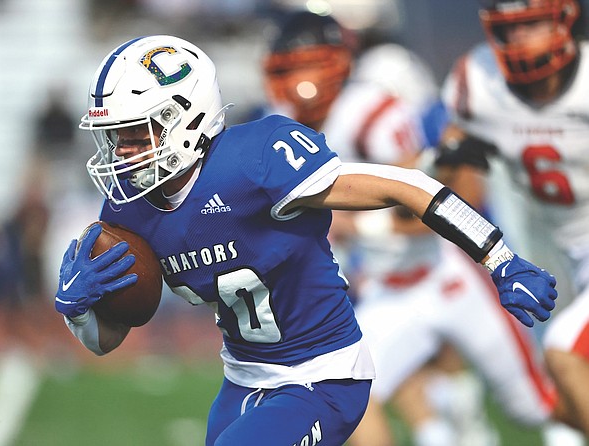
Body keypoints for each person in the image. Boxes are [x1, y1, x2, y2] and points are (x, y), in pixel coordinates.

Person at [54, 34, 557, 445]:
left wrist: (499, 255)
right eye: (116, 138)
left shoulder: (255, 159)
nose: (124, 153)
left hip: (323, 374)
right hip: (242, 381)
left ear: (184, 119)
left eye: (138, 134)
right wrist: (79, 310)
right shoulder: (127, 207)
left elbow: (404, 185)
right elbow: (108, 341)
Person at [262, 10, 556, 446]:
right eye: (289, 69)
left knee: (535, 407)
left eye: (309, 64)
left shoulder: (370, 113)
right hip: (387, 291)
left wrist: (356, 227)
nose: (301, 81)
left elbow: (438, 205)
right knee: (346, 400)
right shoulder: (276, 126)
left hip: (447, 277)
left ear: (339, 62)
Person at [436, 0, 589, 439]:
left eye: (533, 24)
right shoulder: (478, 81)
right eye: (511, 29)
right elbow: (449, 184)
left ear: (565, 19)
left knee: (563, 351)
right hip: (564, 245)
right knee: (548, 394)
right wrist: (444, 160)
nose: (521, 39)